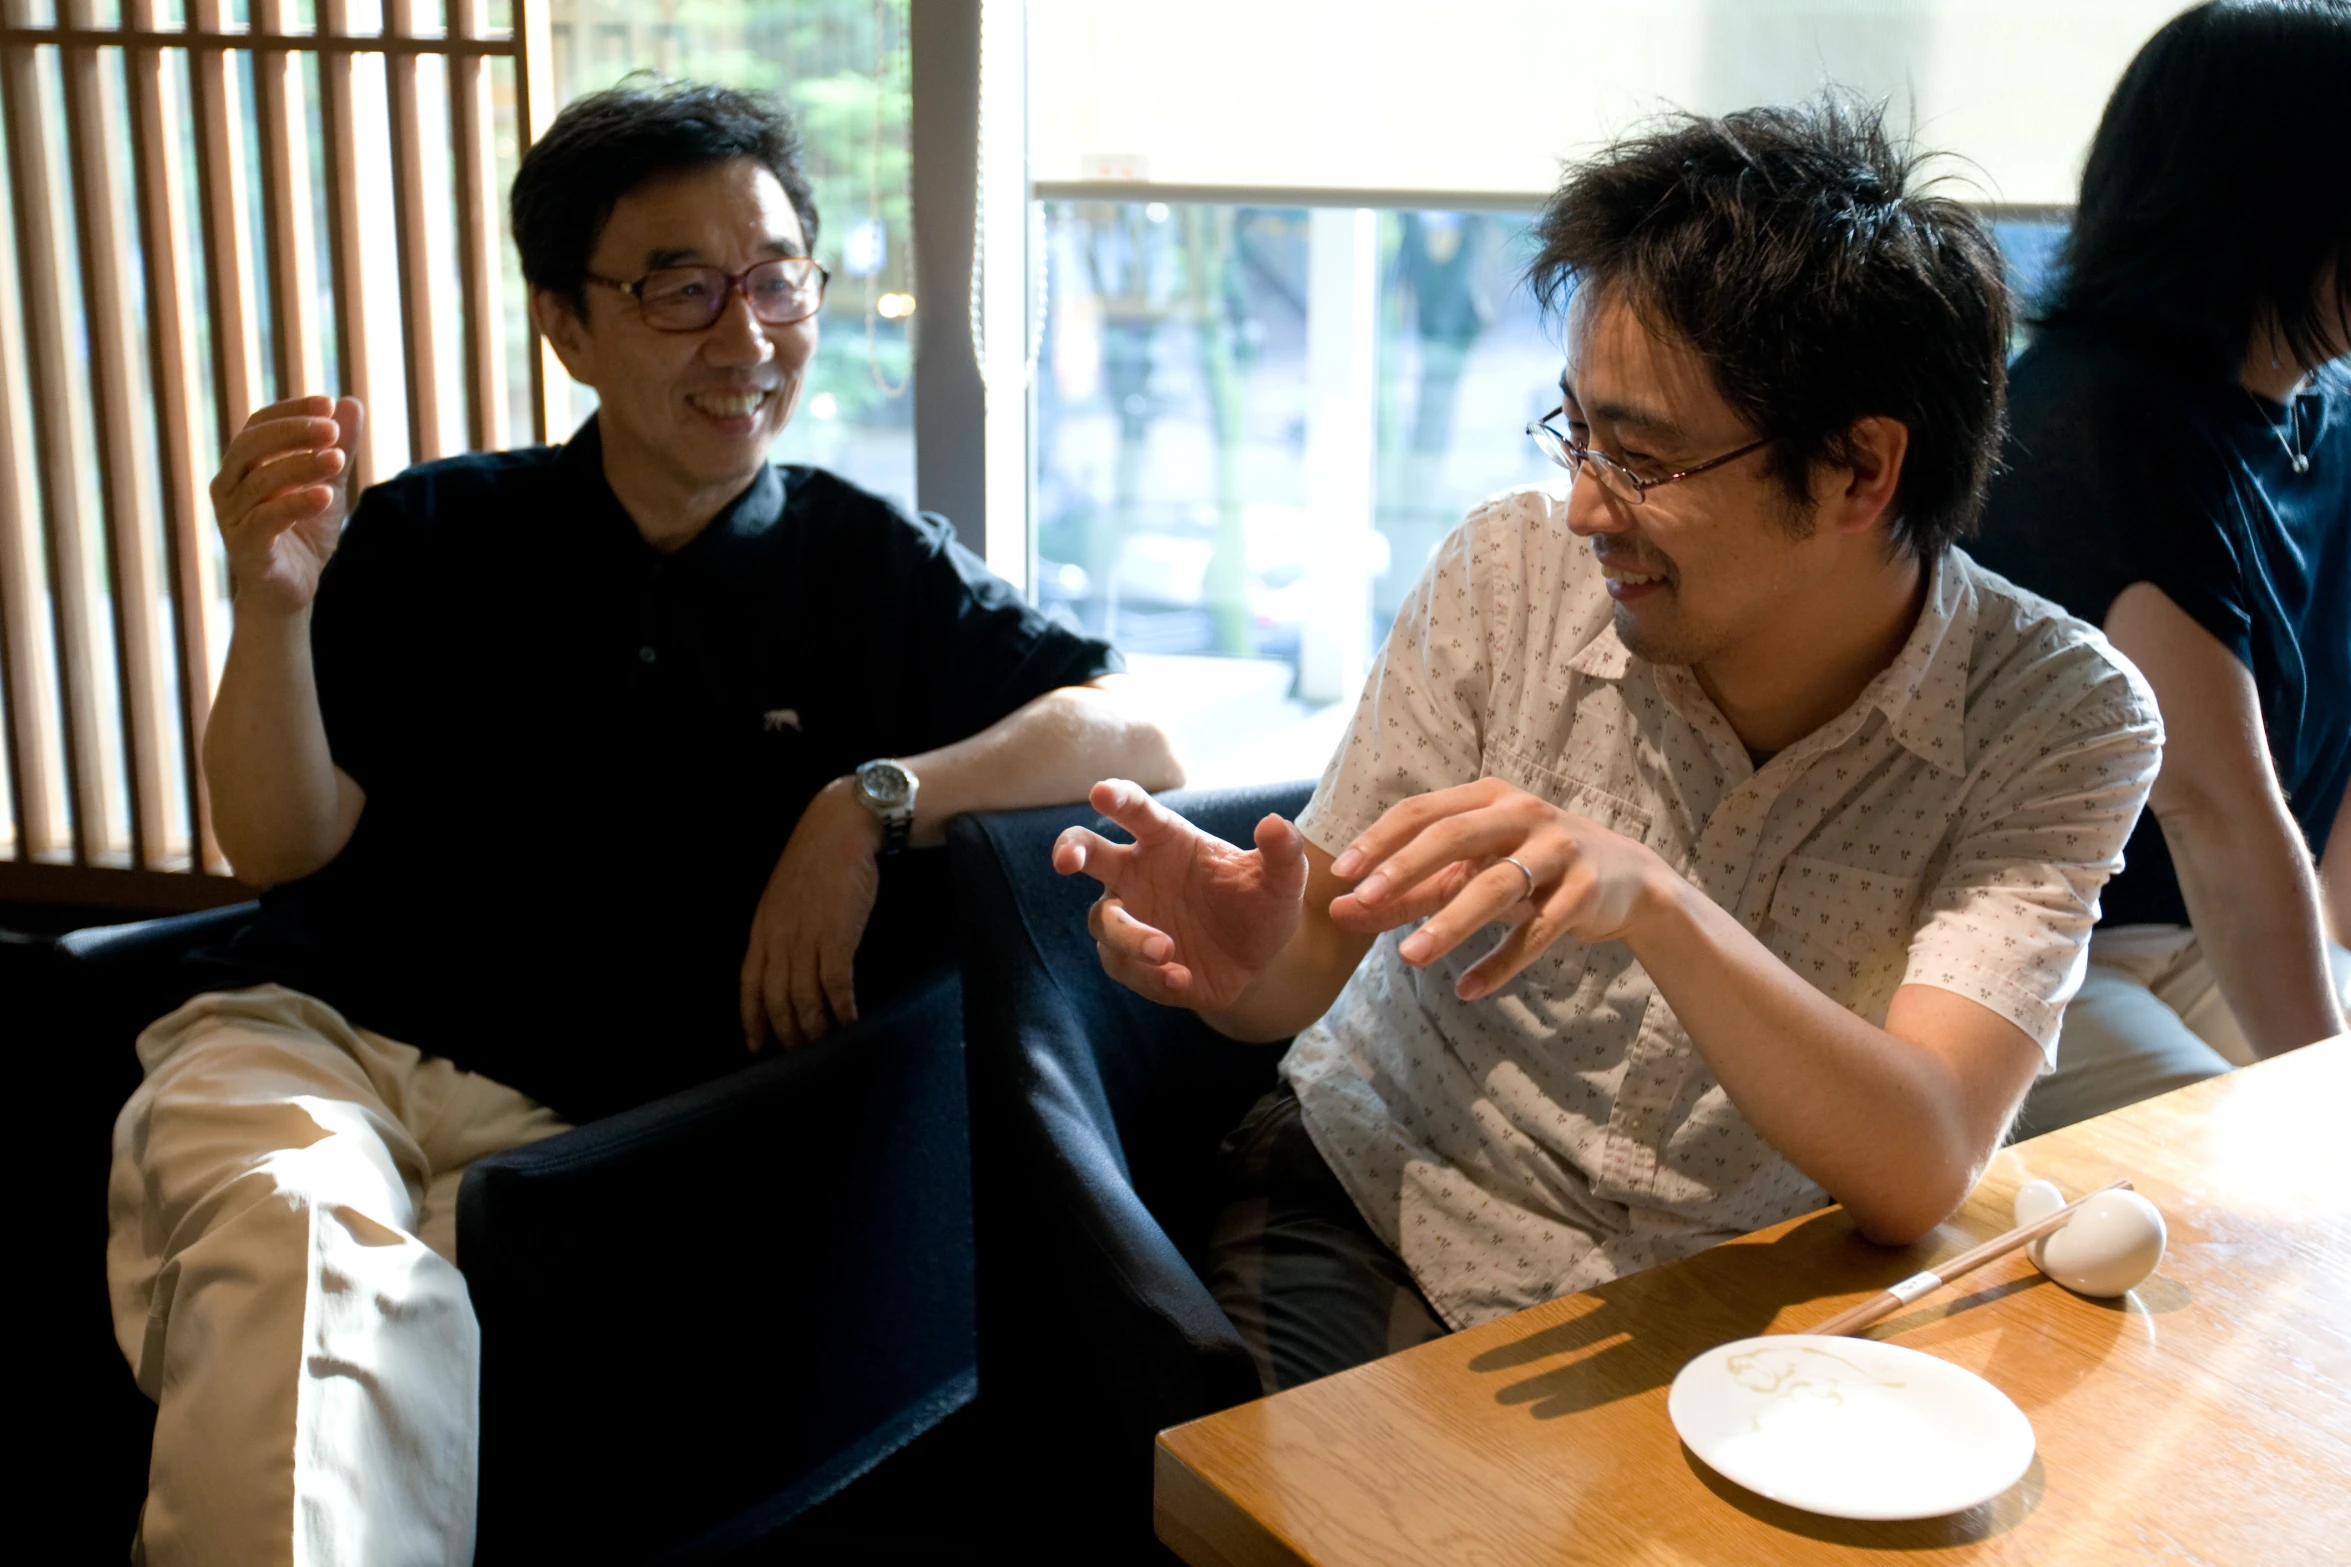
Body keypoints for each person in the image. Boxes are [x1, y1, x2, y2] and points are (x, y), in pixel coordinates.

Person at [106, 83, 1181, 1564]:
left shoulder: (864, 568)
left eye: (777, 277)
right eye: (681, 289)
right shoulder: (435, 535)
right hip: (312, 1039)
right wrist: (272, 608)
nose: (744, 337)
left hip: (587, 1132)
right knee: (299, 1243)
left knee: (340, 1319)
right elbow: (280, 843)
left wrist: (867, 798)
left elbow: (1138, 728)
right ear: (567, 324)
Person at [1056, 99, 2162, 1390]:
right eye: (1574, 429)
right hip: (1385, 1203)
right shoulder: (1505, 574)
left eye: (1638, 455)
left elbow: (1917, 1162)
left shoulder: (2054, 716)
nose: (1583, 503)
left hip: (1742, 1286)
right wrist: (1245, 956)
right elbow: (1306, 967)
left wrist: (1659, 904)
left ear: (1859, 471)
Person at [1972, 0, 2351, 1137]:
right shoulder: (2095, 419)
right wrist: (2325, 1111)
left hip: (2209, 937)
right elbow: (2212, 809)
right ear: (2274, 202)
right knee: (2246, 1179)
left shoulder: (2320, 416)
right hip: (2034, 953)